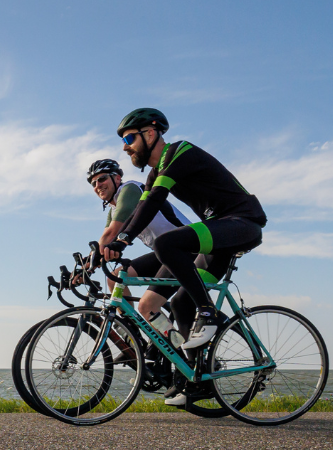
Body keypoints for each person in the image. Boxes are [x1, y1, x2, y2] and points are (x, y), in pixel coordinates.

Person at [103, 108, 267, 352]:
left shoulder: (180, 152)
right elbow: (141, 210)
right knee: (180, 303)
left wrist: (123, 239)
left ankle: (208, 311)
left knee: (165, 244)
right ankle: (195, 382)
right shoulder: (155, 173)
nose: (125, 148)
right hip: (218, 236)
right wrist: (113, 244)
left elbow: (155, 200)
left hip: (242, 223)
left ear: (149, 134)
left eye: (129, 139)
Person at [80, 159, 190, 322]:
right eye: (93, 183)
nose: (98, 185)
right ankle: (131, 332)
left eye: (102, 179)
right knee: (114, 278)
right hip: (165, 254)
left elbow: (111, 234)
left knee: (148, 306)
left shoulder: (130, 189)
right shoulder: (114, 207)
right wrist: (84, 265)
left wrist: (87, 266)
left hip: (188, 250)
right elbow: (103, 242)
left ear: (117, 178)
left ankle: (169, 344)